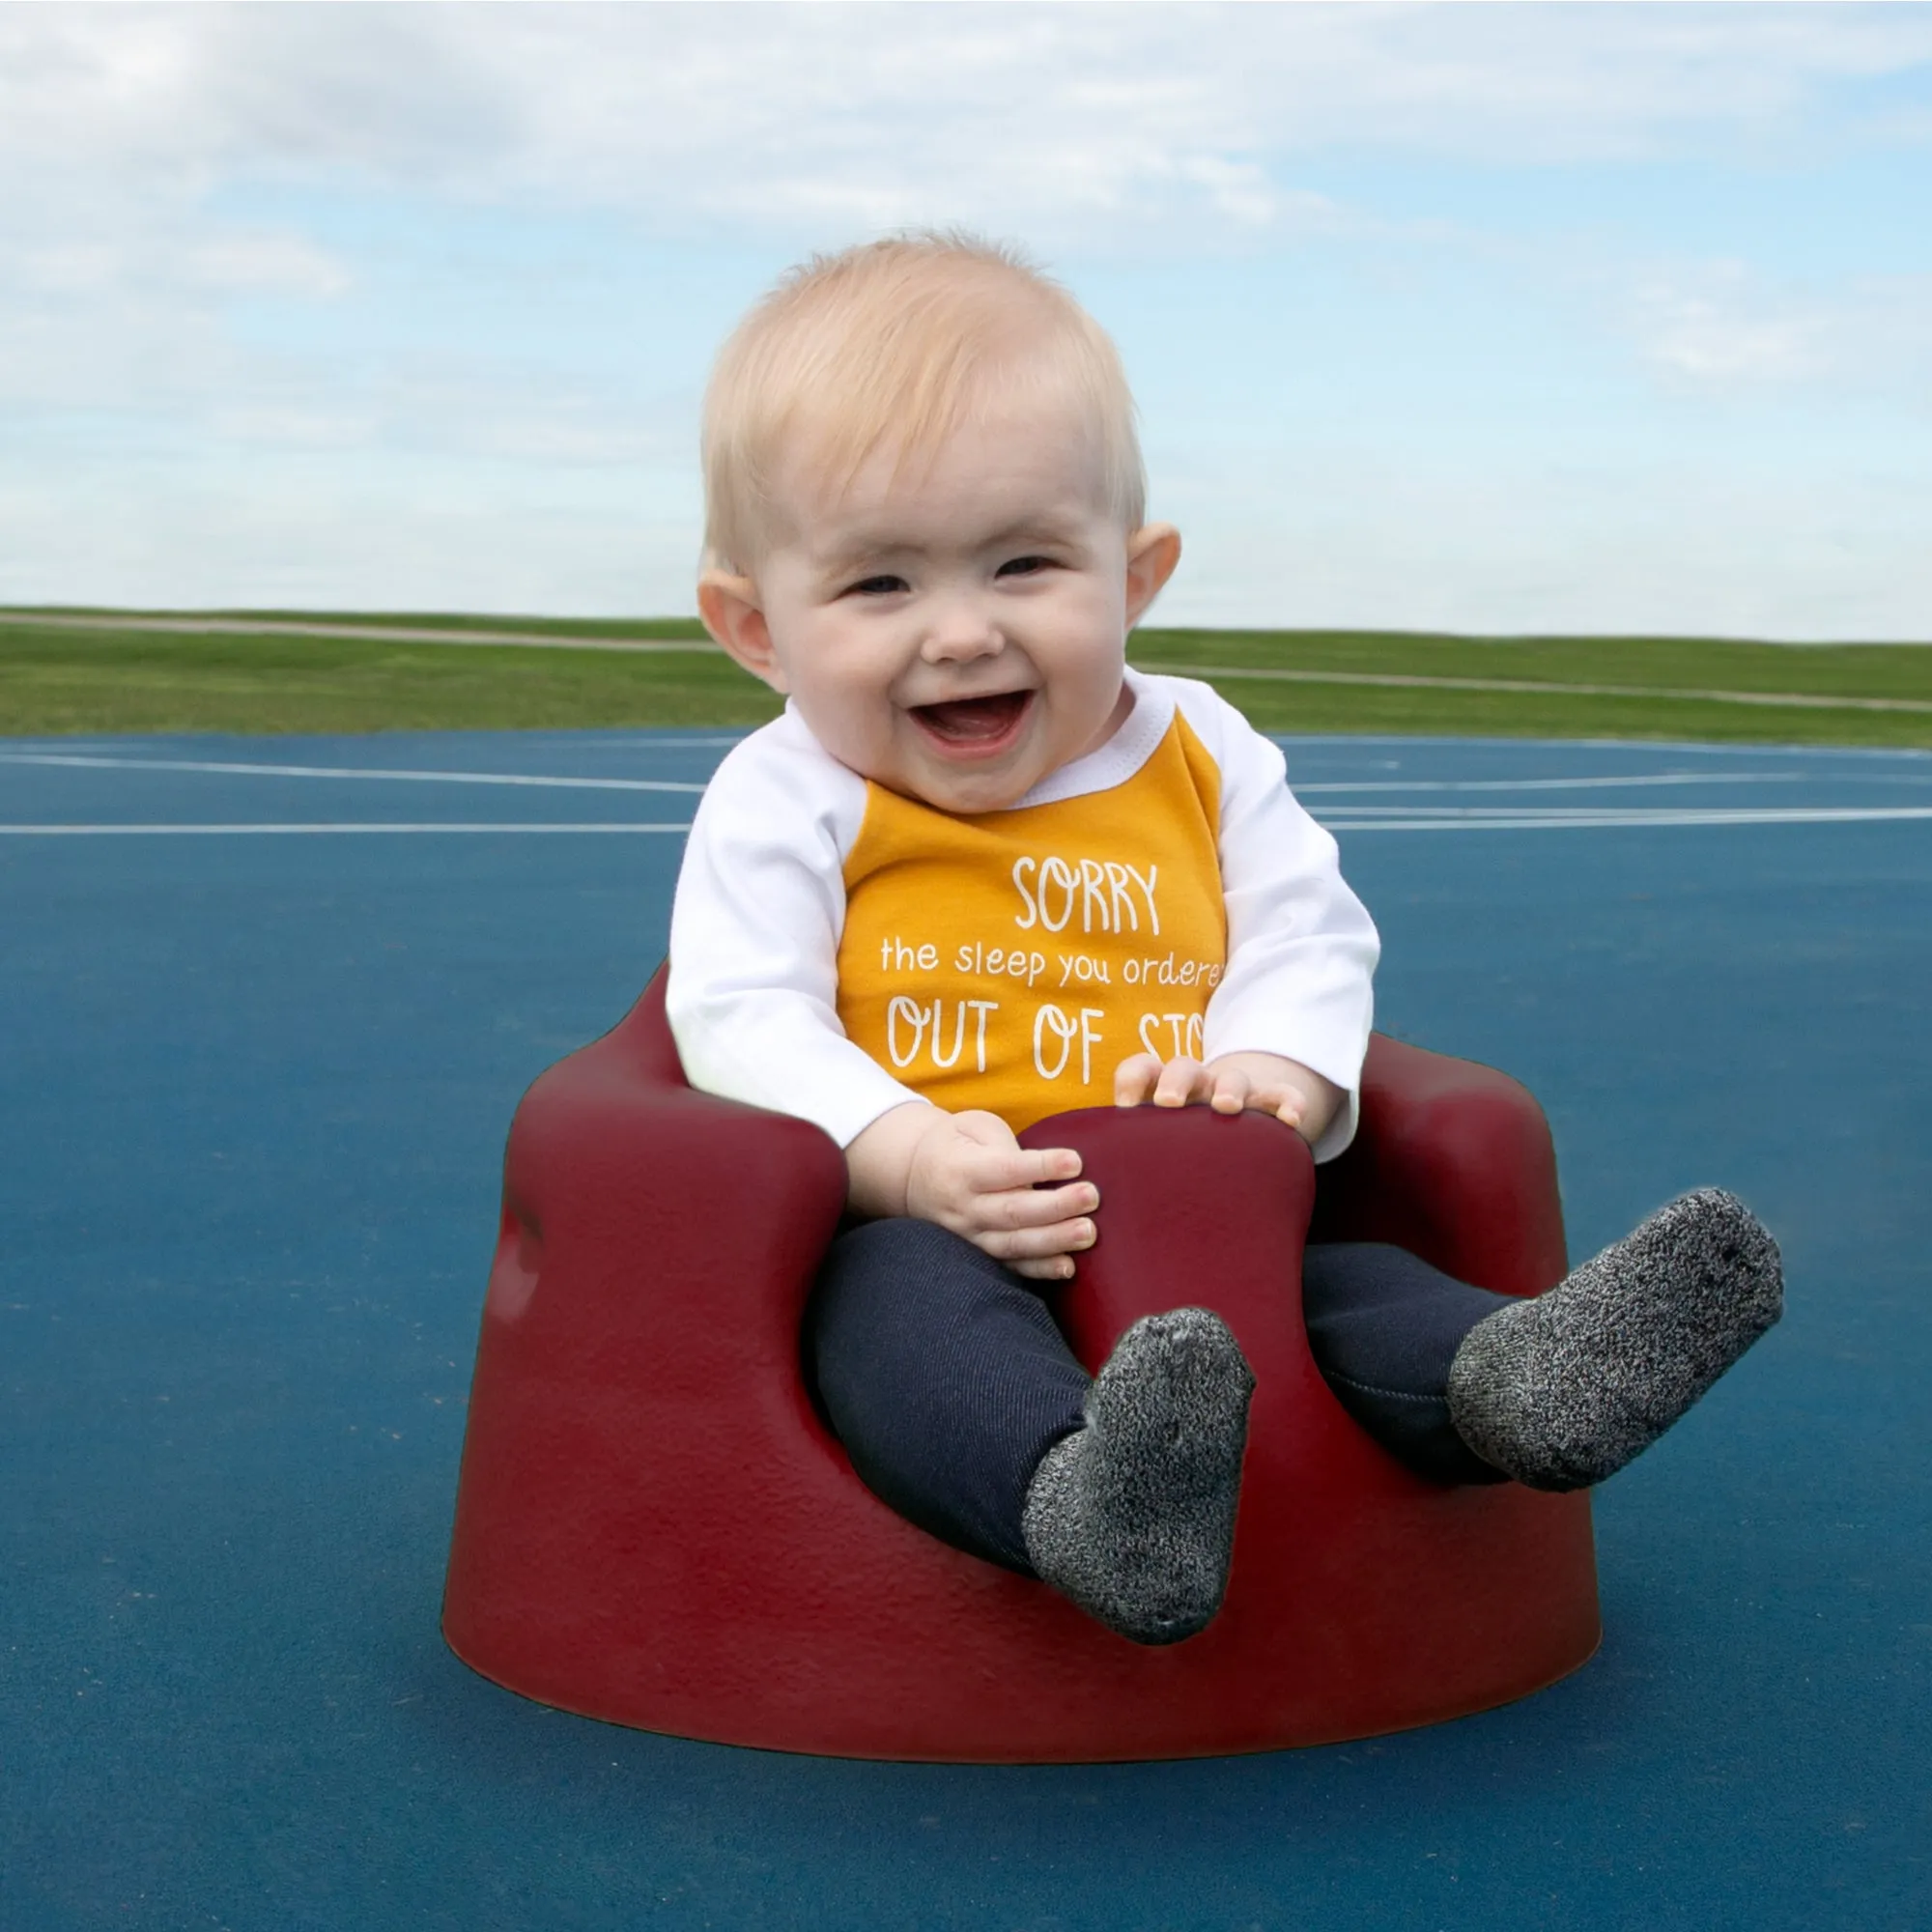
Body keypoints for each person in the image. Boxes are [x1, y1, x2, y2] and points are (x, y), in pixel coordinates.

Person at [666, 233, 1781, 1646]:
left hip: (1211, 1211)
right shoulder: (794, 792)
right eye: (879, 586)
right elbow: (738, 1012)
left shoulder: (1197, 746)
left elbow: (1305, 933)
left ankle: (1523, 1378)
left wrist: (1273, 1075)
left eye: (1024, 564)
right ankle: (1091, 1503)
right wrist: (898, 1154)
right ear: (756, 625)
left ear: (1135, 576)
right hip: (940, 1226)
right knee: (897, 1334)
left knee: (1349, 1296)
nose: (960, 633)